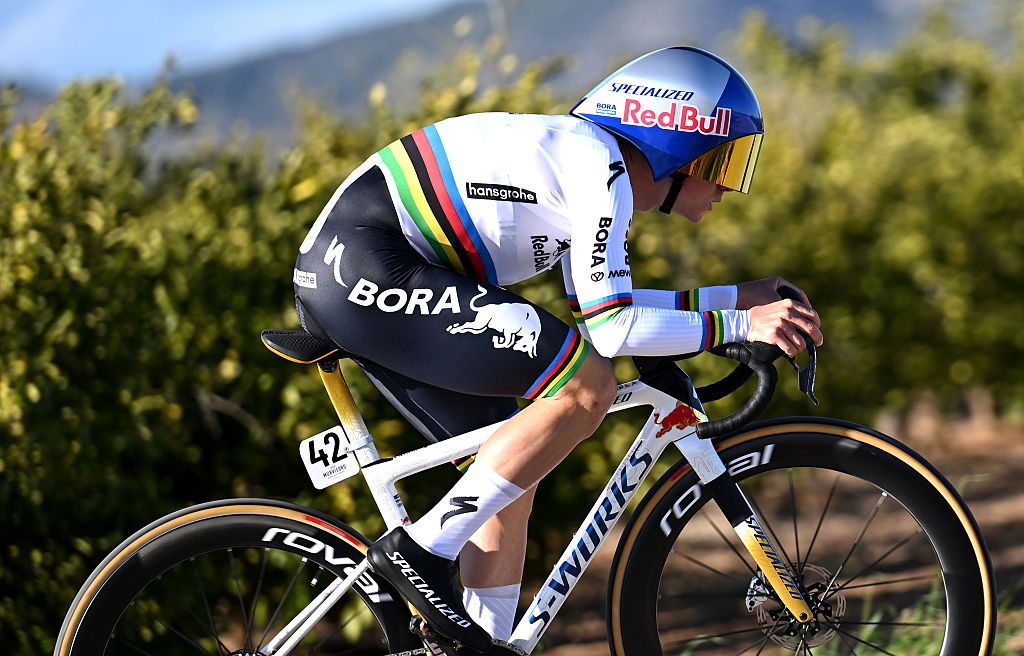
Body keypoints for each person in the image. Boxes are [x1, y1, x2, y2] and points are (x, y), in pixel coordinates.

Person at [291, 46, 823, 652]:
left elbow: (605, 307)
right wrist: (741, 323)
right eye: (719, 160)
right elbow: (613, 331)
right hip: (366, 268)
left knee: (510, 475)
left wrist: (734, 299)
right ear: (673, 143)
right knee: (586, 385)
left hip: (368, 271)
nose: (727, 184)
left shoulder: (589, 162)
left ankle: (477, 643)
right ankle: (419, 549)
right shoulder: (601, 170)